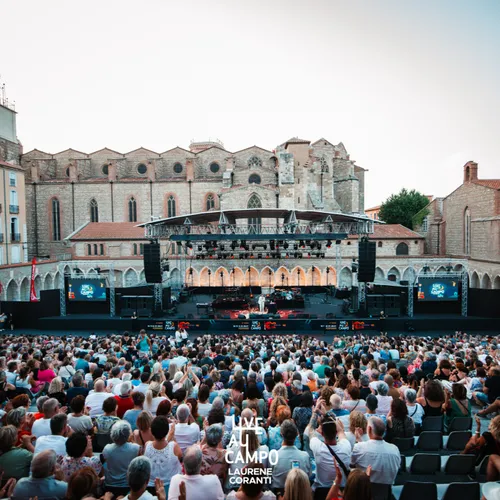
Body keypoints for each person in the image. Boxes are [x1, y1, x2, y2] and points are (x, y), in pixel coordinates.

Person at [308, 401, 351, 499]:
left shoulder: (317, 447)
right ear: (335, 432)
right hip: (341, 491)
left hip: (322, 492)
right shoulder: (346, 446)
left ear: (322, 434)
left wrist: (315, 412)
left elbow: (310, 428)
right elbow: (340, 430)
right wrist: (327, 415)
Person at [351, 416, 401, 485]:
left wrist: (358, 441)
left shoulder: (359, 447)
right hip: (386, 493)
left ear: (369, 429)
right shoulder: (395, 449)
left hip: (363, 492)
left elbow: (351, 463)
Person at [144, 416, 182, 496]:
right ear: (167, 431)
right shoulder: (174, 446)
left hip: (151, 488)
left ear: (152, 431)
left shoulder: (147, 445)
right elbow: (180, 458)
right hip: (170, 487)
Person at [103, 420, 141, 496]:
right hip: (127, 486)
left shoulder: (107, 449)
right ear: (128, 434)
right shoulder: (135, 448)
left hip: (109, 485)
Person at [271, 419, 311, 490]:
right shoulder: (305, 456)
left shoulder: (273, 456)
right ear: (296, 434)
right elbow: (309, 476)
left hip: (280, 494)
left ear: (281, 434)